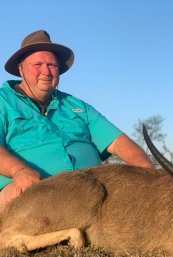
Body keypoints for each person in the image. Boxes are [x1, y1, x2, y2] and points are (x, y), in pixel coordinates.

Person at [0, 30, 154, 211]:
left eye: (52, 65)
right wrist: (21, 172)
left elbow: (118, 142)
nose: (46, 71)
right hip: (33, 193)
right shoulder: (3, 101)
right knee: (19, 195)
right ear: (21, 68)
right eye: (38, 64)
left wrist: (149, 174)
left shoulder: (76, 105)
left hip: (93, 194)